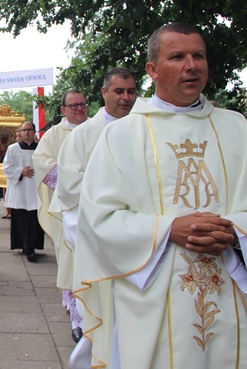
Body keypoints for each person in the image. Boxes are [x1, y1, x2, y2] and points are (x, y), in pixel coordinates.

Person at [73, 23, 247, 368]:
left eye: (198, 56)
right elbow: (98, 219)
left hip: (231, 290)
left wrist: (235, 230)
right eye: (178, 57)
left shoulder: (238, 127)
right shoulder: (122, 135)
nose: (191, 66)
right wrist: (168, 230)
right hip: (152, 298)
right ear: (152, 69)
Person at [49, 67, 137, 343]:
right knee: (102, 311)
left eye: (131, 91)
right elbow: (69, 187)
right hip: (98, 231)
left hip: (141, 234)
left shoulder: (145, 128)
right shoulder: (82, 135)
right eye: (119, 91)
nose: (126, 98)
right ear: (104, 92)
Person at [32, 89, 88, 331]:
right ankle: (77, 316)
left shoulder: (98, 129)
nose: (79, 109)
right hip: (68, 208)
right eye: (73, 105)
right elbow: (41, 162)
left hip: (98, 206)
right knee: (70, 258)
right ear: (63, 110)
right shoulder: (54, 134)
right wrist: (78, 180)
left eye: (82, 104)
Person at [2, 121, 43, 262]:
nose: (26, 132)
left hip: (35, 189)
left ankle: (32, 246)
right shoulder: (13, 149)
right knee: (22, 221)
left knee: (34, 220)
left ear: (34, 132)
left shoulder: (41, 148)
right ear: (20, 132)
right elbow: (6, 168)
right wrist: (21, 171)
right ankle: (25, 246)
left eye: (29, 130)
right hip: (20, 190)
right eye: (24, 130)